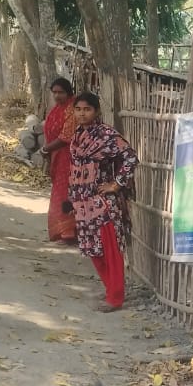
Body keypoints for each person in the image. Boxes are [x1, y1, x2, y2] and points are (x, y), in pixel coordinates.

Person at [66, 91, 137, 311]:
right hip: (82, 203)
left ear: (96, 111)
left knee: (110, 249)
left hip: (102, 203)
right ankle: (110, 290)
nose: (82, 114)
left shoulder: (106, 135)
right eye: (78, 109)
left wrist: (115, 184)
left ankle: (115, 298)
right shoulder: (77, 135)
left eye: (87, 109)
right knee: (92, 248)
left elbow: (131, 157)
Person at [41, 77, 77, 242]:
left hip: (71, 156)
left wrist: (45, 149)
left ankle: (70, 229)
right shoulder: (58, 108)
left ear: (68, 92)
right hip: (58, 156)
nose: (57, 95)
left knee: (67, 191)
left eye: (60, 92)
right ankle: (64, 228)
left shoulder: (72, 108)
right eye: (54, 92)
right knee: (61, 190)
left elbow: (66, 136)